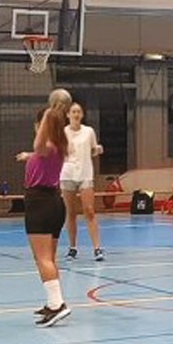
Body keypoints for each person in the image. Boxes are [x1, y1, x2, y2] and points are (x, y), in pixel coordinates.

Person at [20, 88, 73, 326]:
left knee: (42, 258)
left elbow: (38, 144)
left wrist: (48, 115)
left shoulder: (46, 145)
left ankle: (58, 304)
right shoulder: (59, 145)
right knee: (49, 258)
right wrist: (28, 156)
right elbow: (38, 152)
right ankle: (53, 303)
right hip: (54, 203)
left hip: (40, 203)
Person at [60, 102, 104, 262]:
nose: (76, 114)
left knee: (89, 210)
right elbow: (57, 152)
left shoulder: (88, 131)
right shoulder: (63, 132)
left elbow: (93, 150)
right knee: (70, 212)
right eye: (73, 112)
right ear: (68, 115)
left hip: (85, 174)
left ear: (82, 115)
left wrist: (97, 149)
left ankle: (97, 248)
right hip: (67, 174)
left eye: (78, 111)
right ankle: (72, 248)